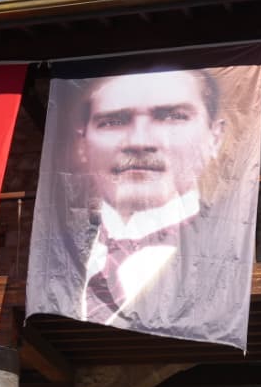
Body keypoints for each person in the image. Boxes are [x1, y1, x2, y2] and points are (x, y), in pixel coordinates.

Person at [69, 67, 228, 327]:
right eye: (113, 121)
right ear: (82, 144)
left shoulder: (230, 249)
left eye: (173, 117)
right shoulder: (57, 255)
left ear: (215, 137)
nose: (139, 141)